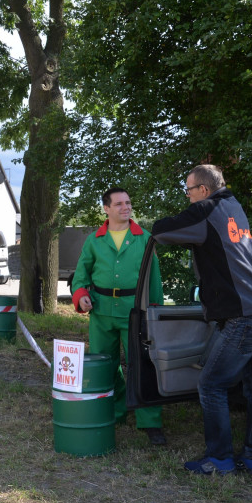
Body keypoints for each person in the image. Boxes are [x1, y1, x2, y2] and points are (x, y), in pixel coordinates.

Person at [151, 164, 252, 476]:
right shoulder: (234, 207)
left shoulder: (206, 210)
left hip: (242, 315)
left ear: (203, 191)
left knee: (210, 385)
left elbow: (161, 230)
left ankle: (220, 459)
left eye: (188, 190)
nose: (187, 196)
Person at [72, 187, 167, 446]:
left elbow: (154, 280)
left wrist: (154, 311)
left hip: (135, 311)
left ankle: (150, 421)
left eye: (128, 202)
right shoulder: (94, 240)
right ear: (106, 208)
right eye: (119, 204)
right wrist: (81, 295)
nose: (126, 207)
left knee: (142, 364)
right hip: (101, 312)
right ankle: (115, 411)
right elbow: (81, 276)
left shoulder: (145, 238)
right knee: (105, 364)